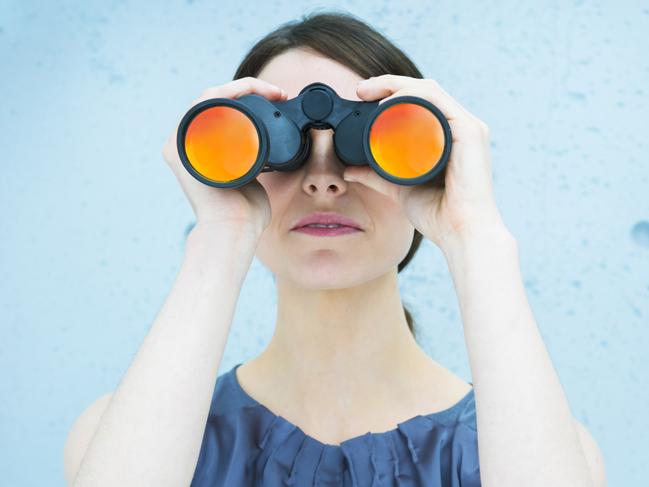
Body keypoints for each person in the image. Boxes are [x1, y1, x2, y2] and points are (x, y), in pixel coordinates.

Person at [64, 11, 606, 487]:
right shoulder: (120, 438)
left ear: (434, 167)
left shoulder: (543, 451)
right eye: (280, 149)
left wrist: (476, 236)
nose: (323, 181)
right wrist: (220, 235)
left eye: (370, 144)